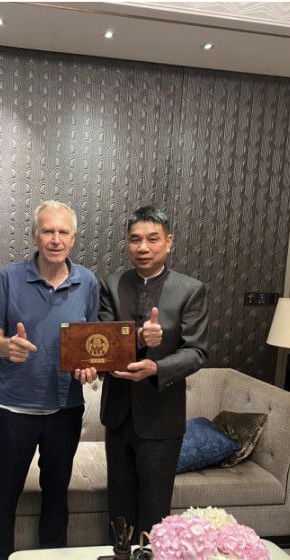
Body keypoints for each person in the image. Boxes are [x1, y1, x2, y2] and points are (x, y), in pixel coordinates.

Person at [0, 200, 99, 560]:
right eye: (48, 231)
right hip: (13, 408)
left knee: (56, 494)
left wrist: (90, 366)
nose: (55, 239)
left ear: (73, 238)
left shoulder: (87, 282)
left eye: (63, 232)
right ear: (35, 236)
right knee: (4, 494)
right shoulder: (9, 278)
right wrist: (5, 346)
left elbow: (92, 340)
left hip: (65, 408)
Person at [99, 205, 208, 540]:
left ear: (168, 242)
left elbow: (197, 351)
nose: (143, 247)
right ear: (127, 243)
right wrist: (138, 338)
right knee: (118, 506)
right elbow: (102, 341)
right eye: (135, 239)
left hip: (162, 418)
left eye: (152, 239)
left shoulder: (190, 289)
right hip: (117, 415)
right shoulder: (111, 284)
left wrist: (157, 367)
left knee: (155, 508)